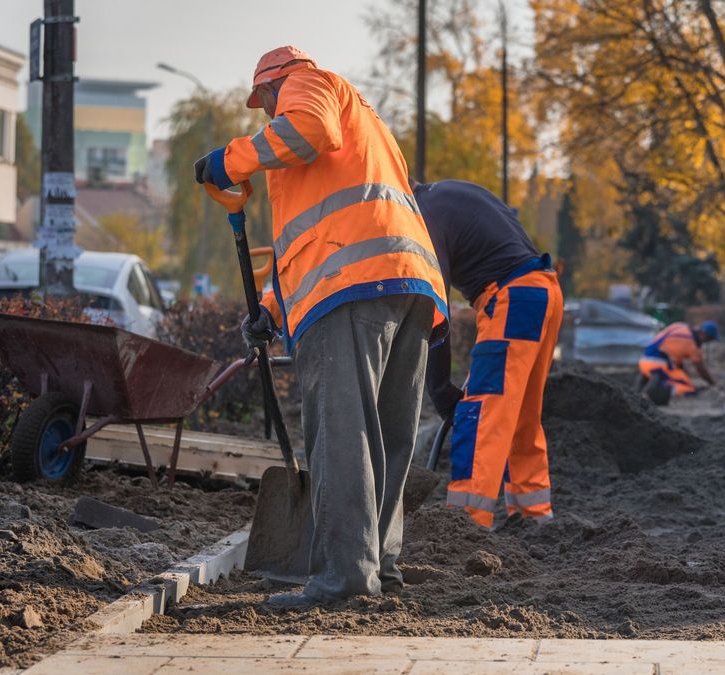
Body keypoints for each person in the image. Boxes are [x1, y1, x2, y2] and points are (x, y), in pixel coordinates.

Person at [193, 46, 448, 606]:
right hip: (407, 283)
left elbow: (308, 129)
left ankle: (344, 578)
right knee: (387, 434)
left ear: (273, 84)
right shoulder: (368, 126)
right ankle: (381, 565)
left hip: (353, 292)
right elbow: (322, 238)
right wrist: (272, 309)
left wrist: (231, 160)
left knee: (342, 432)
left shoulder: (310, 85)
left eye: (264, 103)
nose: (267, 116)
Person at [414, 179, 563, 529]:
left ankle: (466, 524)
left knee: (480, 415)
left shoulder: (423, 216)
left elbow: (436, 303)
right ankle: (534, 516)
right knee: (521, 415)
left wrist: (439, 389)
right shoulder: (449, 193)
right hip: (544, 292)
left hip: (512, 299)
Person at [638, 320, 718, 399]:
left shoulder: (679, 326)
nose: (706, 342)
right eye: (709, 339)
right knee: (688, 388)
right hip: (657, 365)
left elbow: (674, 352)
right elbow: (701, 369)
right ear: (704, 334)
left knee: (681, 376)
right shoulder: (693, 344)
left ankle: (645, 385)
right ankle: (656, 391)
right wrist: (712, 383)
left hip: (643, 361)